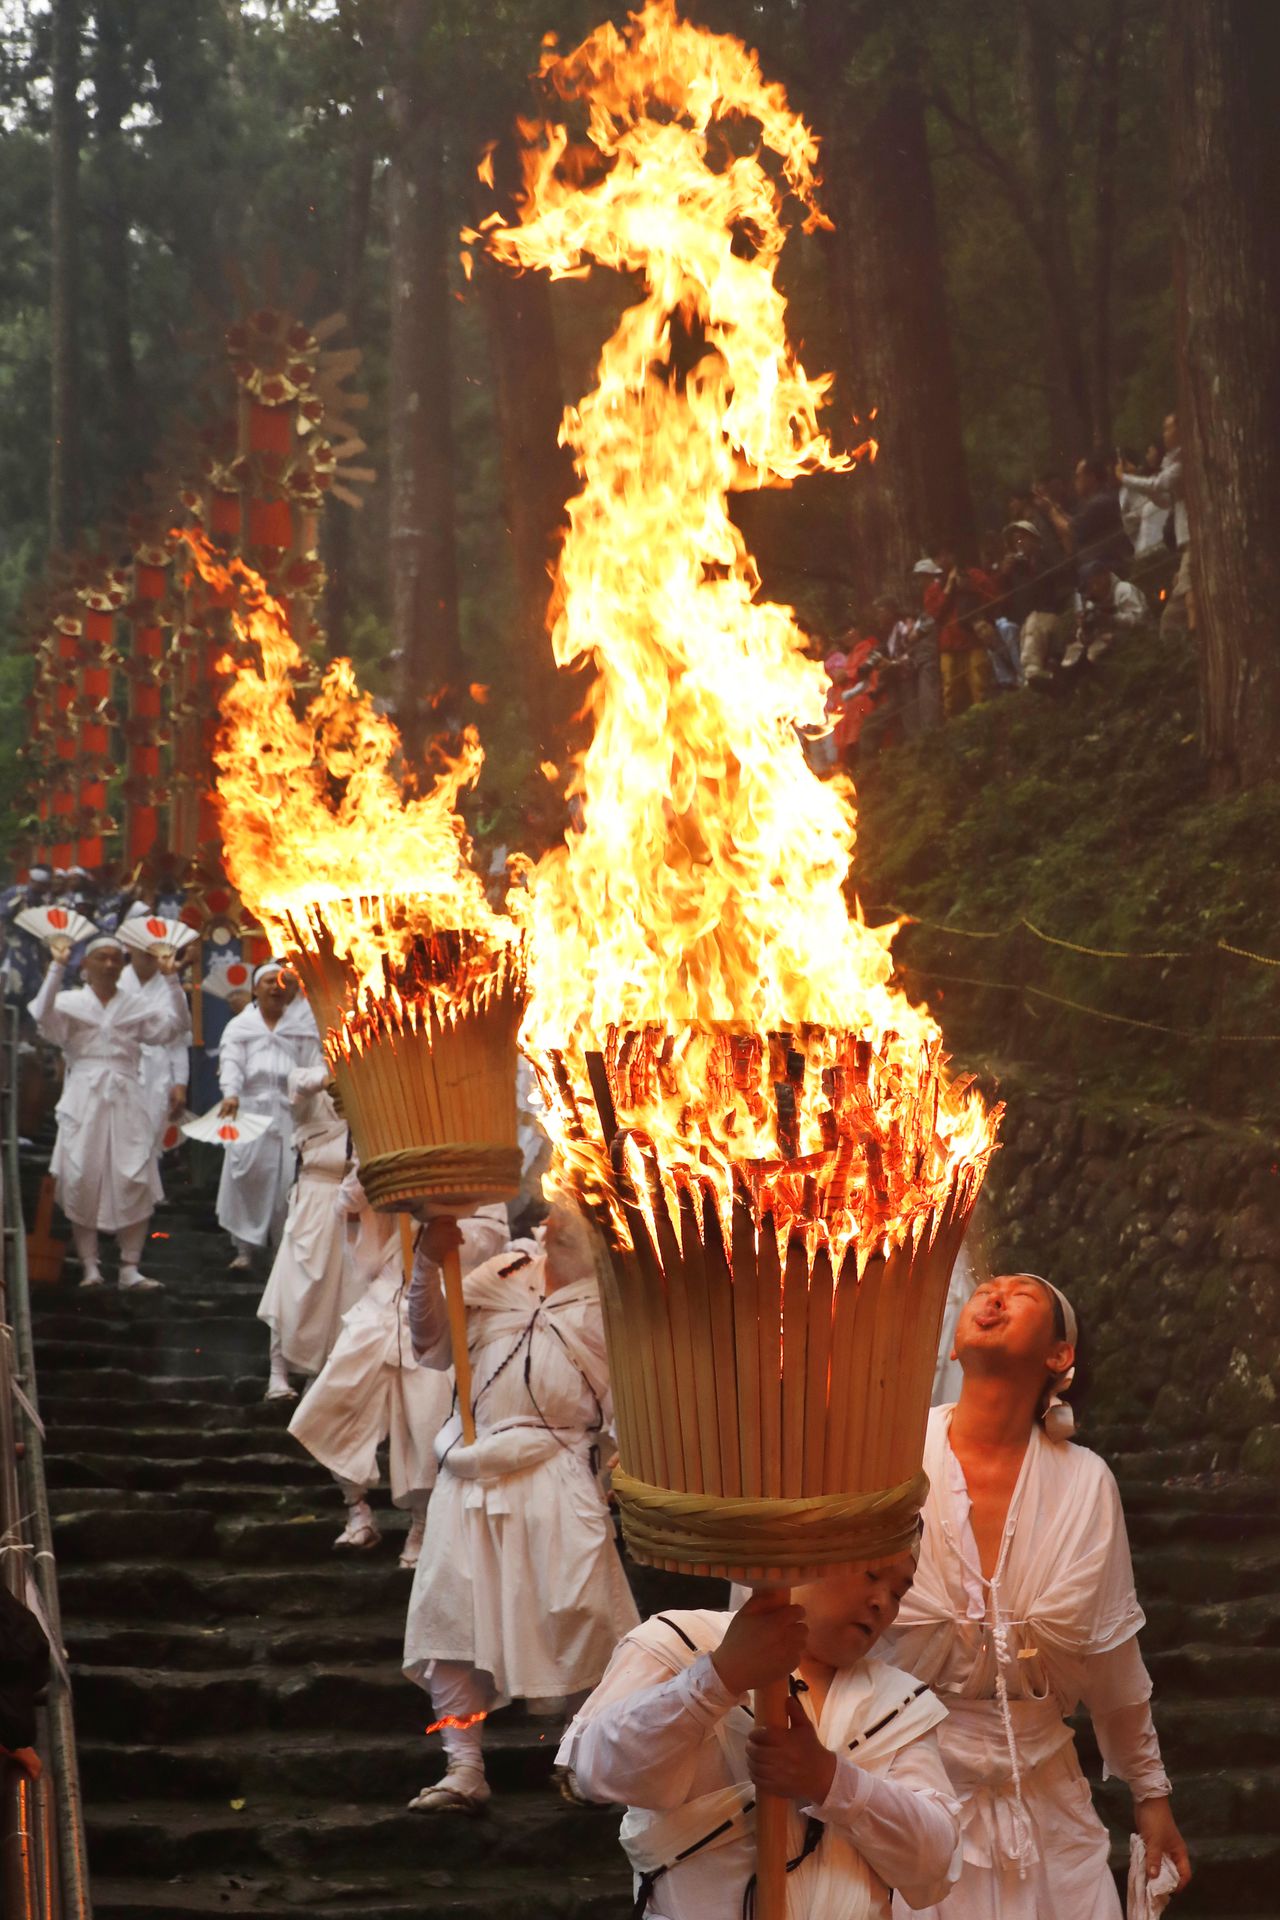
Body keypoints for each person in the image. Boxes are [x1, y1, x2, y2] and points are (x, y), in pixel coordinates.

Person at [879, 1273, 1191, 1919]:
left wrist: (1151, 1794)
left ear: (1059, 1355)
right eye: (985, 1289)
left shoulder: (1087, 1483)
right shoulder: (889, 1455)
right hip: (903, 1790)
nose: (994, 1297)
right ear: (954, 1348)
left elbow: (1112, 1658)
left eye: (1021, 1294)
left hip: (1047, 1809)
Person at [558, 1551, 961, 1918]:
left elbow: (935, 1862)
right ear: (810, 1556)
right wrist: (717, 1679)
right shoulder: (681, 1642)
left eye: (898, 1593)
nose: (882, 1603)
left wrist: (831, 1781)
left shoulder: (899, 1701)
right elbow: (597, 1772)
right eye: (872, 1575)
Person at [402, 1200, 640, 1813]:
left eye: (573, 1214)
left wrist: (625, 1467)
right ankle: (464, 1768)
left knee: (584, 1617)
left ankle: (581, 1763)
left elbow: (640, 1399)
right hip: (469, 1467)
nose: (555, 1221)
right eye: (556, 1212)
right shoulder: (503, 1271)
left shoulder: (621, 1300)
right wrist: (427, 1263)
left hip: (560, 1468)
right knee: (453, 1618)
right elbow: (430, 1343)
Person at [289, 1171, 509, 1563]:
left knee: (427, 1425)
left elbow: (492, 1236)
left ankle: (421, 1527)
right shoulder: (390, 1160)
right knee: (332, 1409)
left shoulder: (474, 1161)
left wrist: (440, 1228)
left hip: (440, 1305)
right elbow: (349, 1209)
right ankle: (356, 1510)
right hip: (382, 1300)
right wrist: (370, 1173)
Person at [31, 931, 189, 1290]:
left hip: (127, 1095)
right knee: (82, 1174)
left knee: (135, 1175)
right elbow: (42, 1015)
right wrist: (56, 967)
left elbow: (176, 1027)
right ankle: (90, 1265)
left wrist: (171, 978)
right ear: (85, 965)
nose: (108, 964)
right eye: (100, 957)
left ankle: (130, 1266)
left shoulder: (135, 1005)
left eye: (115, 958)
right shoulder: (71, 1001)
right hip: (83, 1097)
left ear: (122, 965)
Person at [256, 1065, 358, 1402]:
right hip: (313, 1196)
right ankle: (277, 1372)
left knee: (339, 1294)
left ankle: (318, 1377)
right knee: (292, 1284)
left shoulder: (369, 1096)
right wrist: (331, 1079)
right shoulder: (313, 1092)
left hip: (351, 1202)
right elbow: (297, 1083)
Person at [216, 959, 324, 1270]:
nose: (276, 988)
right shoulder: (240, 1027)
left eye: (282, 982)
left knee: (286, 1183)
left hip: (291, 1113)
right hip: (250, 1110)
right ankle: (244, 1250)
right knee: (246, 1176)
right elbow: (232, 1062)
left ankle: (281, 1250)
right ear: (254, 989)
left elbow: (314, 1065)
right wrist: (231, 1093)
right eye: (268, 982)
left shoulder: (302, 1027)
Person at [118, 909, 192, 1156]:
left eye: (153, 948)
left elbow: (179, 1037)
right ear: (130, 946)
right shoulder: (116, 981)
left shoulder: (170, 986)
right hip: (121, 1067)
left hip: (158, 1072)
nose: (149, 953)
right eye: (143, 947)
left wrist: (180, 1083)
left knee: (150, 1141)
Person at [1118, 414, 1190, 638]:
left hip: (1191, 542)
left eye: (1168, 428)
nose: (1164, 434)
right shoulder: (1173, 463)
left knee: (1178, 612)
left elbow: (1159, 483)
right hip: (1183, 545)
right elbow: (1164, 499)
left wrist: (1125, 478)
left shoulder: (1184, 461)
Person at [999, 522, 1074, 690]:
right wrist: (1004, 575)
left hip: (1057, 613)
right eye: (1015, 542)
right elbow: (1006, 600)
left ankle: (1032, 674)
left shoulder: (1047, 555)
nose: (1019, 544)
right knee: (1026, 629)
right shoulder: (1017, 569)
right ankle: (1036, 679)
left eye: (1022, 538)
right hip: (1031, 622)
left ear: (1034, 538)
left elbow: (1062, 579)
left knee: (1033, 623)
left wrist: (1032, 566)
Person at [1035, 455, 1132, 582]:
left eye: (1078, 476)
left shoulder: (1099, 502)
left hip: (1108, 570)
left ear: (1091, 477)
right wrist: (1058, 510)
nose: (1076, 481)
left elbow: (1071, 529)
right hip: (1099, 570)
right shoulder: (1095, 501)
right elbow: (1076, 522)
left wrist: (1050, 511)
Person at [921, 554, 996, 720]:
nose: (941, 560)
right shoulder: (934, 588)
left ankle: (986, 721)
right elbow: (934, 614)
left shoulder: (974, 575)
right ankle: (955, 727)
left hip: (973, 641)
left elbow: (993, 598)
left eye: (944, 555)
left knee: (980, 686)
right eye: (937, 557)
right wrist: (948, 588)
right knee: (951, 694)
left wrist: (970, 587)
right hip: (948, 646)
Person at [1062, 564, 1150, 672]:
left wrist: (1111, 619)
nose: (1091, 590)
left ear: (1103, 577)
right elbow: (1087, 637)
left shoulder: (1123, 590)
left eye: (1092, 584)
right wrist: (1084, 629)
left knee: (1096, 654)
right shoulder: (1092, 603)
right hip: (1113, 644)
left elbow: (1140, 621)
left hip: (1138, 640)